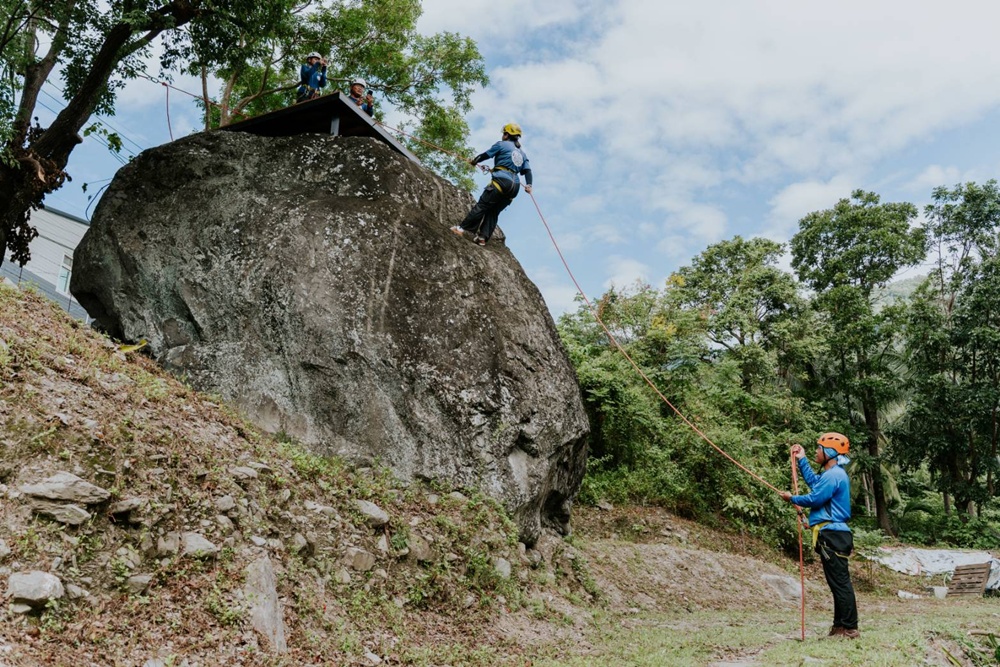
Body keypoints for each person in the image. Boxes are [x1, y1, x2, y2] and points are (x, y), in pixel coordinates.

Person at [779, 432, 860, 639]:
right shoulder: (831, 475)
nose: (817, 451)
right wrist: (802, 459)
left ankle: (849, 628)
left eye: (819, 448)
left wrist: (792, 498)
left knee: (840, 583)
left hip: (833, 536)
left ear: (830, 452)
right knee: (837, 583)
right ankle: (840, 627)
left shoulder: (834, 475)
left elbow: (815, 497)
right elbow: (816, 484)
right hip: (831, 534)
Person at [450, 123, 532, 246]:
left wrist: (474, 161)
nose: (502, 135)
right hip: (514, 188)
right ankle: (482, 238)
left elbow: (485, 155)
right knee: (493, 212)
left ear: (507, 134)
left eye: (504, 133)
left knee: (483, 205)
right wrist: (529, 185)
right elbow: (527, 171)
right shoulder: (522, 154)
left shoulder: (501, 145)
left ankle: (461, 229)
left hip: (501, 181)